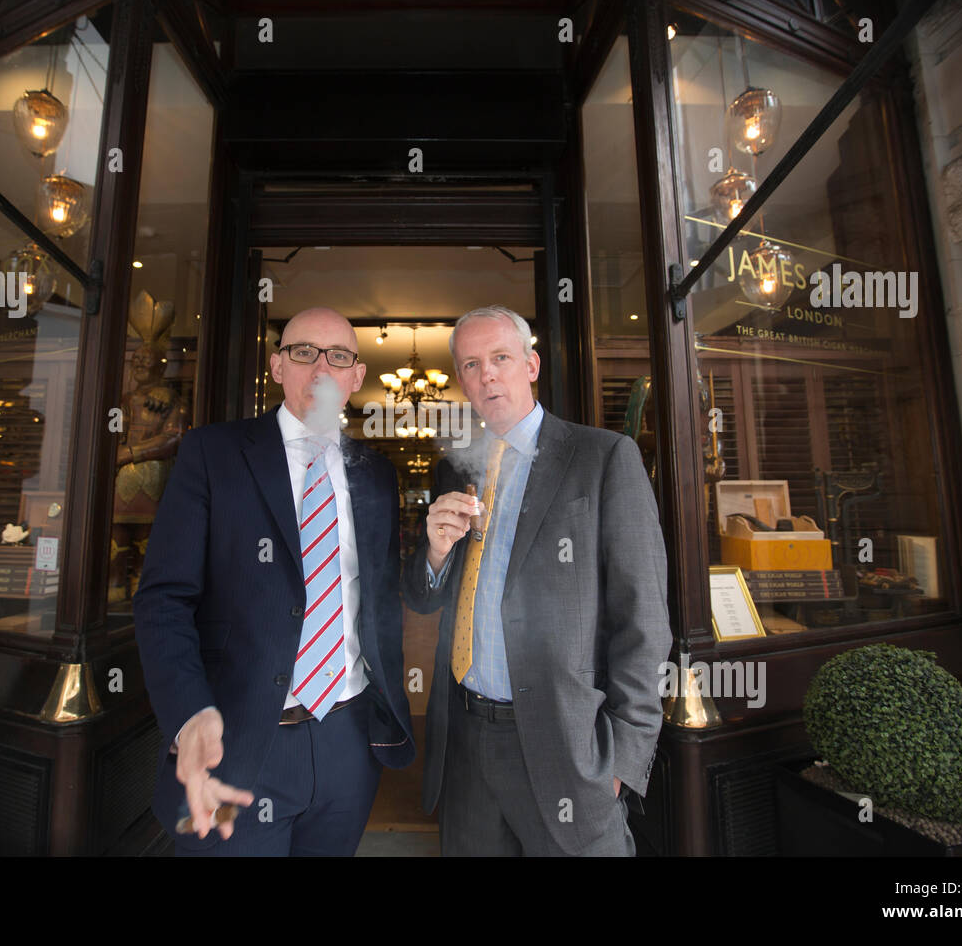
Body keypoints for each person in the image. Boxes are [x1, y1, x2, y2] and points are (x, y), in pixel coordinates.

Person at [135, 306, 414, 856]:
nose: (321, 369)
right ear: (277, 366)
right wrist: (190, 713)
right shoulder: (213, 453)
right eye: (304, 353)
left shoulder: (378, 476)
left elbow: (379, 599)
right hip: (236, 740)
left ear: (356, 376)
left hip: (347, 740)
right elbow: (164, 600)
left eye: (339, 357)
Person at [403, 305, 671, 856]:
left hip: (568, 745)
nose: (487, 375)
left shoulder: (602, 457)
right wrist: (434, 553)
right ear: (461, 381)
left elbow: (643, 618)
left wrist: (621, 758)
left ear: (531, 365)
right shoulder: (454, 469)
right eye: (471, 364)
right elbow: (422, 598)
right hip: (466, 742)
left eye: (500, 357)